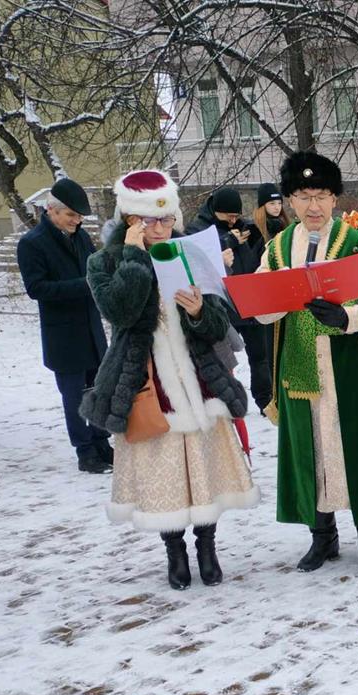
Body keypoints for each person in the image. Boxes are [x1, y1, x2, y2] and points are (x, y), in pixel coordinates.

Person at [80, 169, 258, 590]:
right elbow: (121, 312)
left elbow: (218, 324)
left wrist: (198, 312)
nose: (160, 228)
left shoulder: (188, 253)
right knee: (165, 473)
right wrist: (133, 257)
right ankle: (174, 551)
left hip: (200, 377)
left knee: (204, 467)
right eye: (149, 220)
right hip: (147, 381)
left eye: (166, 219)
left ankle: (207, 547)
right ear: (130, 220)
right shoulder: (104, 262)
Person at [253, 150, 358, 575]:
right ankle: (322, 536)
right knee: (311, 451)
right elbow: (261, 311)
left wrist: (346, 317)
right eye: (304, 196)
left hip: (352, 364)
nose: (313, 206)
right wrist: (274, 300)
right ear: (290, 200)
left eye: (321, 195)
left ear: (335, 199)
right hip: (299, 366)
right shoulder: (277, 248)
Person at [16, 177, 113, 474]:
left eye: (79, 216)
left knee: (98, 390)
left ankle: (101, 442)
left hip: (91, 329)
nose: (76, 221)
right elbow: (37, 288)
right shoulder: (32, 243)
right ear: (51, 210)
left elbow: (95, 270)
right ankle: (85, 451)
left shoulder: (80, 237)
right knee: (74, 397)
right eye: (71, 215)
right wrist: (86, 285)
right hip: (63, 335)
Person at [235, 183, 290, 412]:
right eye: (271, 203)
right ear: (262, 205)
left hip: (285, 296)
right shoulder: (253, 230)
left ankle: (281, 393)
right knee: (263, 352)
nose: (276, 207)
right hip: (263, 297)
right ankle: (266, 398)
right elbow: (248, 263)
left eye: (279, 203)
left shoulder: (289, 228)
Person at [185, 188, 249, 372]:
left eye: (236, 216)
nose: (233, 220)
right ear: (215, 210)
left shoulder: (241, 227)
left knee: (259, 360)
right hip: (217, 306)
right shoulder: (196, 229)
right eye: (229, 216)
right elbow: (196, 263)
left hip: (246, 301)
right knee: (220, 363)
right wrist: (228, 241)